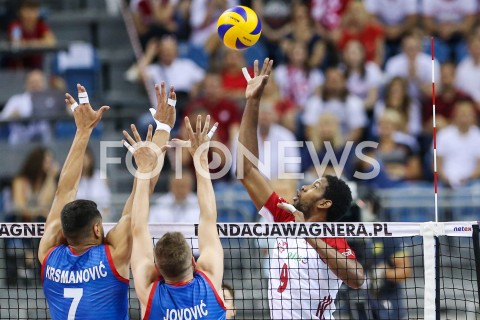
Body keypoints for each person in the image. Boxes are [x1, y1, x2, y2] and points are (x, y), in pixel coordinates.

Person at [237, 58, 364, 319]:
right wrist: (253, 102)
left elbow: (357, 279)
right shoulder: (284, 216)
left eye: (315, 186)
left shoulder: (331, 237)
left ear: (325, 203)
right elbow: (246, 171)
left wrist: (307, 234)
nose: (305, 186)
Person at [39, 82, 175, 319]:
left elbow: (64, 192)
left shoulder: (48, 253)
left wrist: (82, 131)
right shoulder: (113, 255)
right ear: (96, 227)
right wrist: (163, 128)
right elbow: (143, 193)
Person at [129, 115, 226, 319]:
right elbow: (209, 216)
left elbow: (137, 228)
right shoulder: (210, 281)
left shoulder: (149, 294)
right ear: (193, 261)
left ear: (156, 268)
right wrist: (200, 158)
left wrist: (144, 170)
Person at [0, 70, 53, 145]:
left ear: (44, 84)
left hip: (44, 144)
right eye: (32, 82)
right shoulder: (16, 100)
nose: (35, 85)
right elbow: (1, 120)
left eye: (38, 82)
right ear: (26, 84)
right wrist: (11, 116)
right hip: (19, 145)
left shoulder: (50, 100)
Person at [436, 100, 480, 188]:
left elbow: (479, 166)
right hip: (446, 182)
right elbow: (437, 164)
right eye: (462, 113)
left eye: (468, 113)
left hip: (471, 182)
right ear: (454, 115)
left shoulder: (478, 136)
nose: (465, 116)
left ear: (474, 116)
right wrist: (447, 180)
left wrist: (468, 178)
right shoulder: (443, 135)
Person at [6, 0, 56, 69]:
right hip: (18, 67)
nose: (29, 14)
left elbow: (51, 41)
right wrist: (39, 43)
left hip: (37, 67)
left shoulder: (40, 25)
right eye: (27, 10)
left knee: (58, 79)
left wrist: (31, 43)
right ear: (20, 12)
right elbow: (17, 43)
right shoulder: (15, 26)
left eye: (33, 10)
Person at [76, 146, 112, 220]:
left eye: (85, 157)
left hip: (99, 220)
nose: (83, 161)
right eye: (80, 158)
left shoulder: (101, 176)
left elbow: (107, 205)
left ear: (90, 158)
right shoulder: (72, 180)